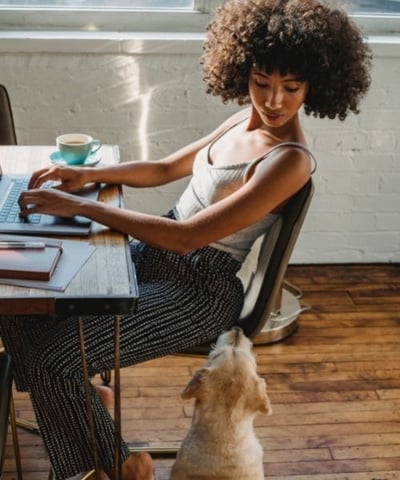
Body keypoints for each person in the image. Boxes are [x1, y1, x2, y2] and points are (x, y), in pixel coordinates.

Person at [0, 0, 371, 479]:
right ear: (244, 72)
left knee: (54, 359)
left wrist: (83, 206)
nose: (273, 101)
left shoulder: (289, 161)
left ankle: (120, 464)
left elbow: (189, 237)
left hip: (199, 290)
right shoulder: (242, 120)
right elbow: (162, 169)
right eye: (262, 83)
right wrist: (84, 175)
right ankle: (90, 401)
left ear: (315, 87)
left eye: (291, 88)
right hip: (156, 257)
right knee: (19, 300)